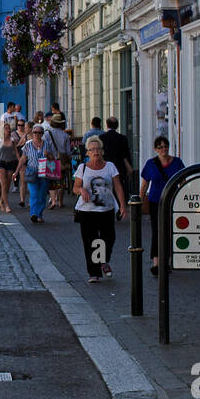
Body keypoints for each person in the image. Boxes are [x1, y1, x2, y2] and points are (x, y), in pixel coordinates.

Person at [74, 137, 126, 282]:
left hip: (106, 209)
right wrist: (82, 191)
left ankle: (103, 260)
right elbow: (75, 187)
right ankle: (94, 273)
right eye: (92, 150)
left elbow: (117, 186)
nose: (95, 152)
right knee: (90, 242)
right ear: (88, 153)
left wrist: (122, 205)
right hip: (87, 211)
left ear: (103, 151)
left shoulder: (110, 166)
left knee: (109, 238)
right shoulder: (82, 168)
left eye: (98, 149)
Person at [140, 136, 185, 278]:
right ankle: (156, 262)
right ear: (155, 149)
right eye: (160, 147)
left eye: (165, 146)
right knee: (156, 231)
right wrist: (140, 201)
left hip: (172, 201)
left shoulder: (177, 163)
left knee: (170, 230)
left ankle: (167, 261)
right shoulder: (151, 164)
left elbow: (183, 181)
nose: (163, 149)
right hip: (155, 202)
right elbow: (144, 184)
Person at [18, 123, 56, 224]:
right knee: (34, 193)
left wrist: (49, 155)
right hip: (32, 172)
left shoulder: (46, 144)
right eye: (35, 132)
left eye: (39, 132)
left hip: (44, 173)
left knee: (42, 194)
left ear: (42, 134)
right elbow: (23, 158)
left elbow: (53, 159)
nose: (36, 134)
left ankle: (39, 214)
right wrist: (16, 171)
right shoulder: (28, 144)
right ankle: (33, 214)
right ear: (32, 132)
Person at [99, 117, 134, 206]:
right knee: (119, 186)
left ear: (107, 125)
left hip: (105, 166)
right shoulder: (122, 138)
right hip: (119, 167)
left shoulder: (101, 138)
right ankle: (119, 205)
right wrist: (129, 167)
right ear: (117, 126)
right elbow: (126, 155)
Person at [0, 118, 19, 216]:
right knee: (4, 184)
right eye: (6, 129)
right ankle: (6, 205)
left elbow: (16, 152)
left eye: (9, 128)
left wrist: (20, 162)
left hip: (11, 163)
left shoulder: (13, 140)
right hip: (1, 163)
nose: (8, 130)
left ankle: (1, 201)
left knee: (8, 186)